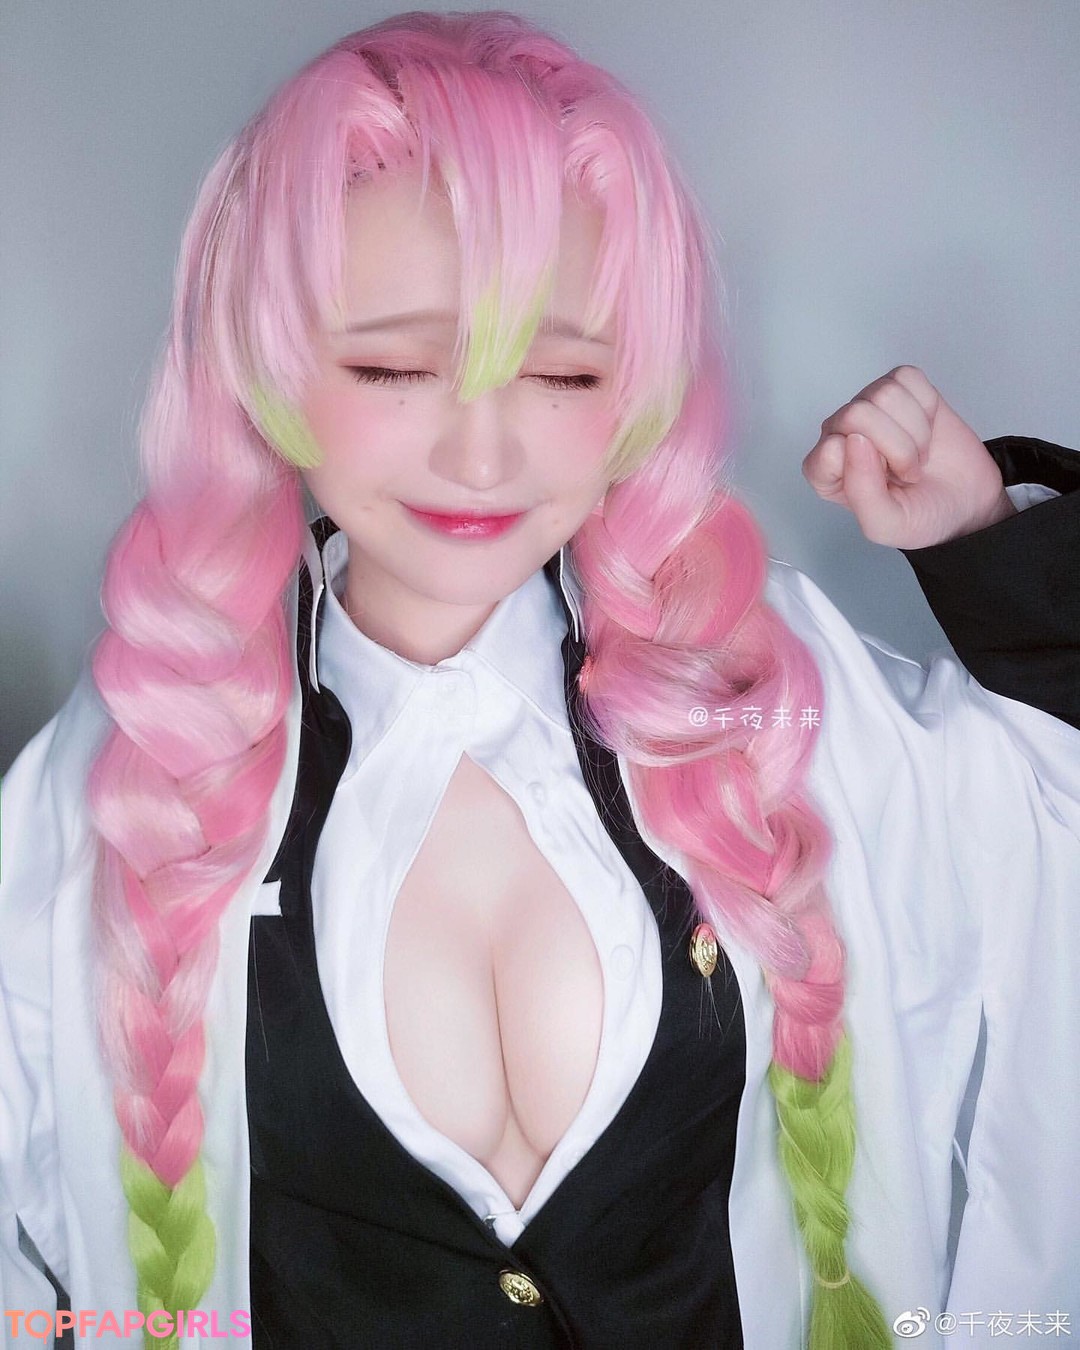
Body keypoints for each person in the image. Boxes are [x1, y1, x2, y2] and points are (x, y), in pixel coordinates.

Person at [1, 12, 1077, 1349]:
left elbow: (1046, 839)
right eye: (394, 366)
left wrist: (989, 543)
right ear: (268, 362)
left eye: (563, 372)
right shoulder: (141, 776)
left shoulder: (757, 690)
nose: (483, 453)